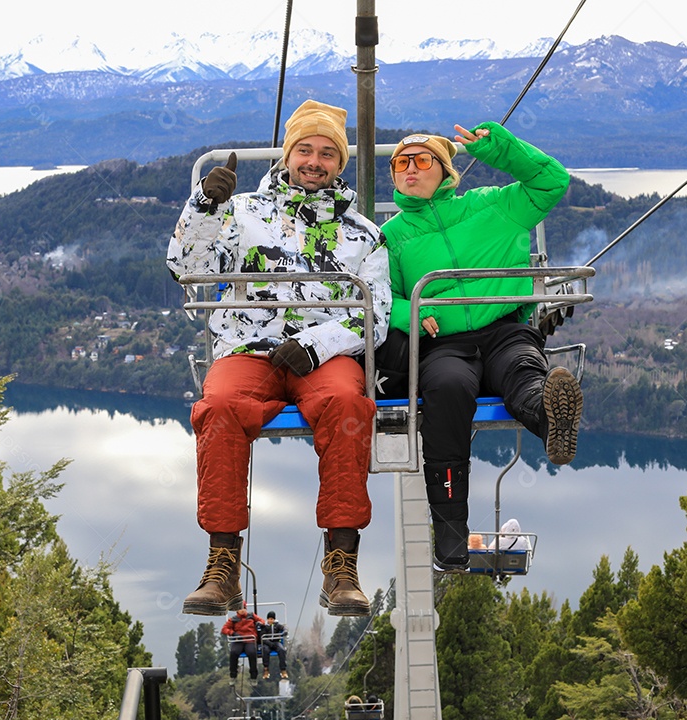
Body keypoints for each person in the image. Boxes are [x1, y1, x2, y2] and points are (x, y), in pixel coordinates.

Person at [167, 99, 391, 617]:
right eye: (305, 150)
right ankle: (221, 564)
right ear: (288, 156)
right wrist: (203, 207)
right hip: (250, 344)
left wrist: (315, 345)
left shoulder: (363, 235)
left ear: (341, 163)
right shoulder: (242, 213)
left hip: (323, 351)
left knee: (346, 404)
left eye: (328, 153)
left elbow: (374, 313)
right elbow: (188, 268)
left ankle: (341, 563)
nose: (315, 162)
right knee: (218, 406)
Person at [379, 122, 583, 573]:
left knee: (521, 369)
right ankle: (450, 539)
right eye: (401, 163)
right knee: (447, 392)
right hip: (441, 343)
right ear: (394, 176)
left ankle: (552, 417)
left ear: (447, 170)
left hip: (503, 328)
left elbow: (552, 181)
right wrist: (403, 313)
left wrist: (501, 150)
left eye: (422, 160)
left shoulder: (494, 206)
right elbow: (380, 293)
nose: (410, 169)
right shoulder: (391, 237)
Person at [222, 604, 265, 682]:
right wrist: (232, 633)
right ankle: (233, 674)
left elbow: (262, 621)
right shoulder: (234, 619)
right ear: (237, 610)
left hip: (250, 639)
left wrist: (260, 623)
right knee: (234, 652)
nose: (242, 610)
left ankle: (253, 675)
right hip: (239, 640)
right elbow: (224, 629)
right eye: (240, 608)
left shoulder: (251, 616)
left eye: (244, 608)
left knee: (251, 653)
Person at [258, 610, 288, 680]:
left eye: (272, 619)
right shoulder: (264, 627)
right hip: (267, 643)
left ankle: (283, 669)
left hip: (276, 642)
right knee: (265, 651)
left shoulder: (277, 625)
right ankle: (266, 669)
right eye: (269, 619)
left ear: (274, 619)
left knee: (282, 650)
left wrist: (285, 631)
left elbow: (284, 628)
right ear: (267, 619)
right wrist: (270, 643)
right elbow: (262, 637)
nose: (270, 620)